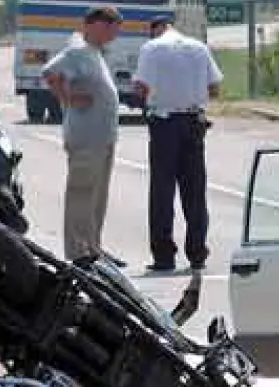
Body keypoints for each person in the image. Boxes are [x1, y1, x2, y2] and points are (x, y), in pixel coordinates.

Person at [133, 11, 223, 272]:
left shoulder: (152, 48)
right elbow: (215, 88)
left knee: (162, 191)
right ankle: (197, 252)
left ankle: (164, 255)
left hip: (164, 123)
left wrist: (157, 97)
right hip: (194, 122)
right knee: (195, 190)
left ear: (155, 29)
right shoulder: (199, 48)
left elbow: (140, 88)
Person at [41, 5, 127, 266]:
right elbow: (51, 73)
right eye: (109, 27)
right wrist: (68, 98)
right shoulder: (77, 51)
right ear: (93, 25)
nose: (113, 34)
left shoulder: (95, 53)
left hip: (102, 136)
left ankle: (94, 246)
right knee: (82, 193)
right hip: (86, 137)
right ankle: (78, 250)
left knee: (98, 196)